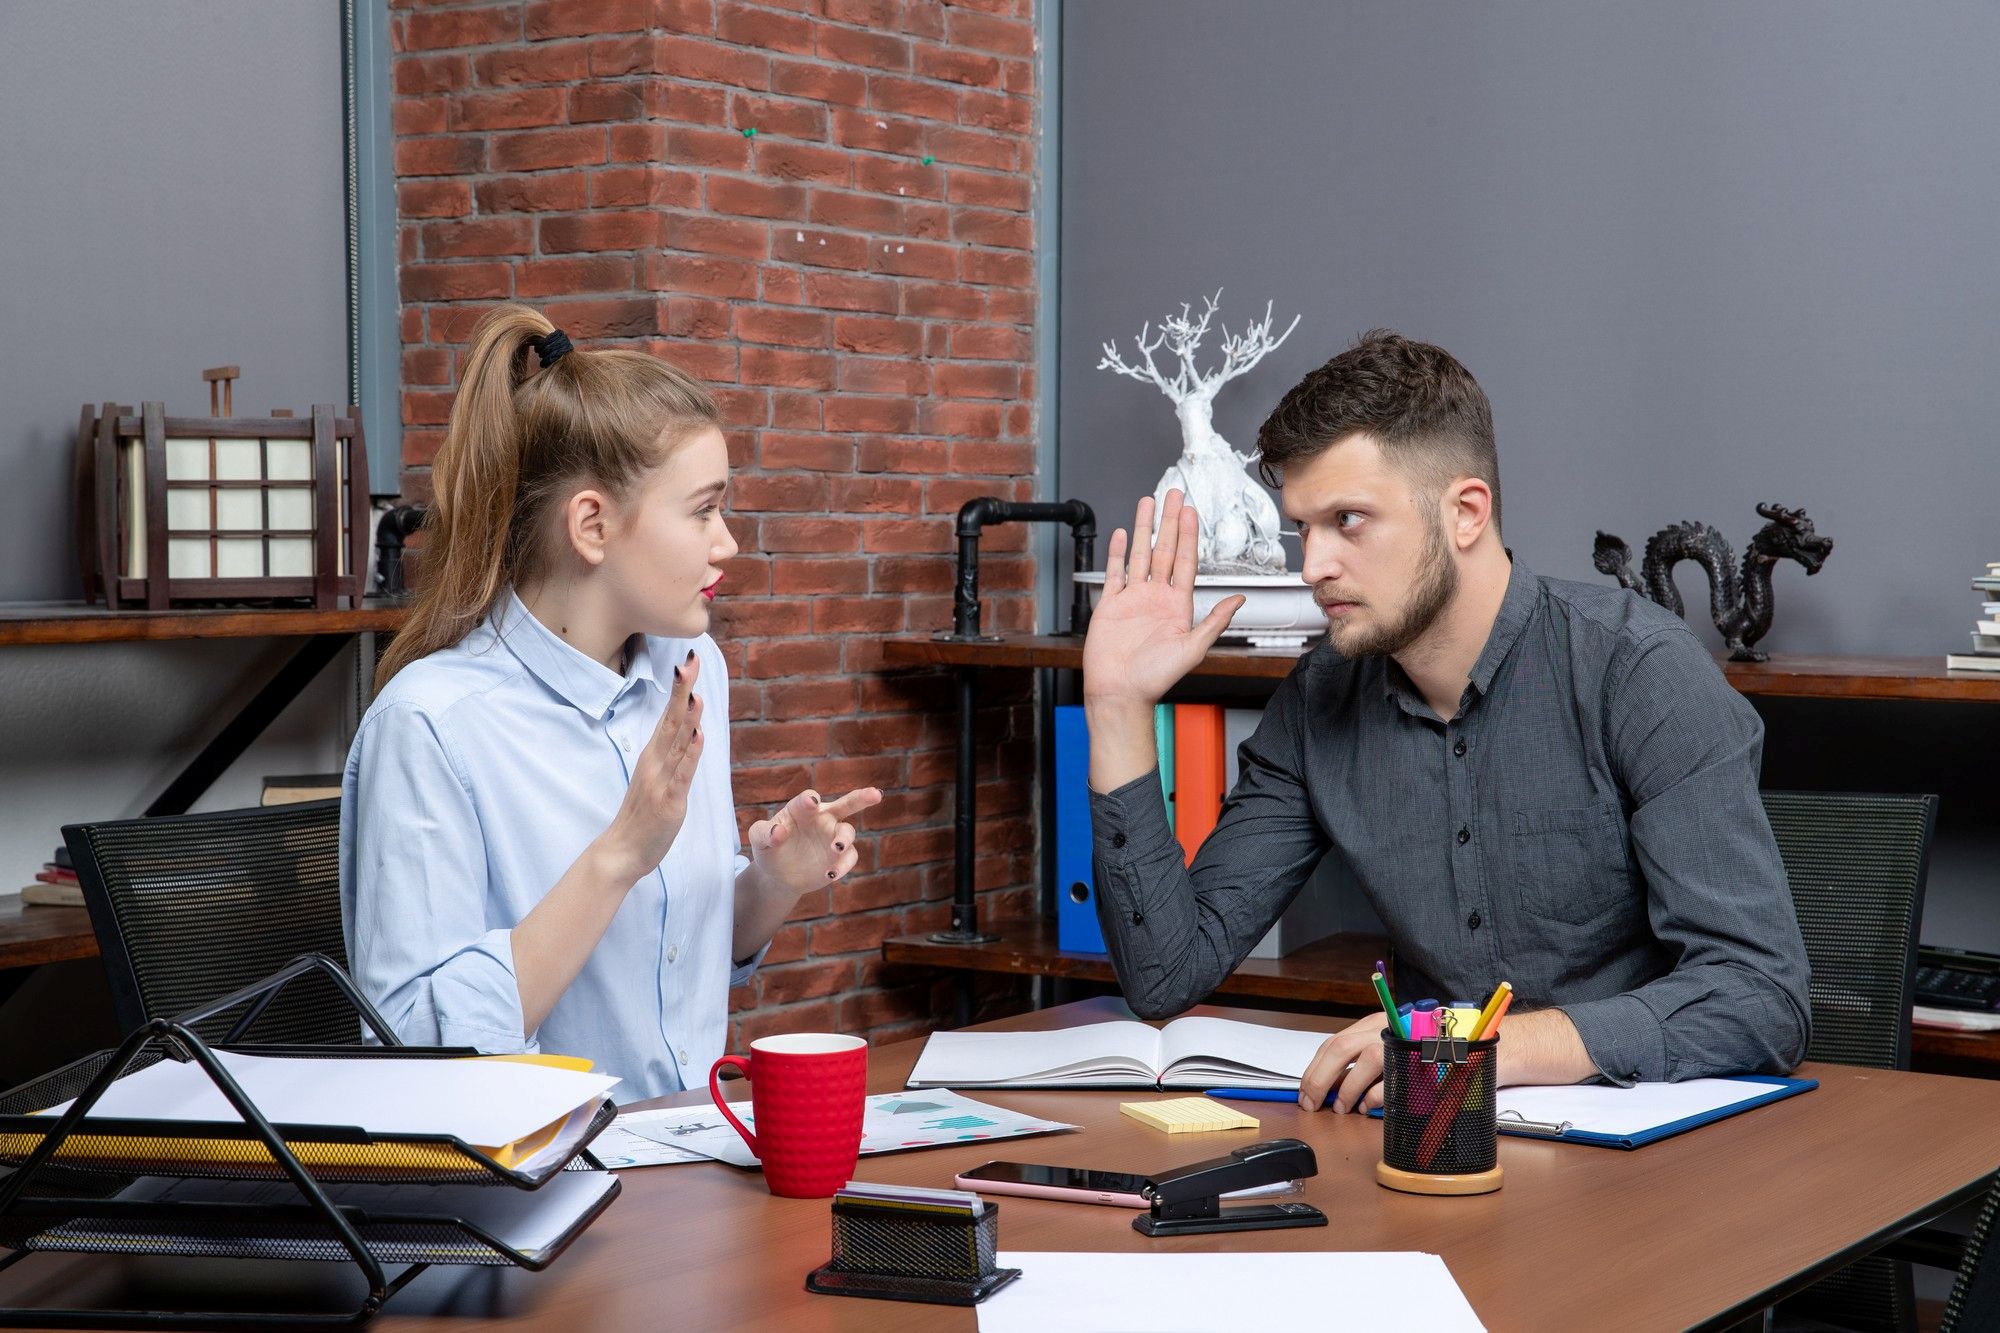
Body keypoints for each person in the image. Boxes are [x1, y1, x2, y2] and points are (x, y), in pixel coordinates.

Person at [1079, 330, 1810, 1113]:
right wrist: (1119, 710)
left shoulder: (1637, 669)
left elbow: (1761, 995)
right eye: (1303, 527)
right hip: (1431, 1146)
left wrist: (1483, 1045)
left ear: (1465, 512)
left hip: (1654, 1162)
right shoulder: (1321, 696)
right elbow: (1164, 976)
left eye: (1348, 520)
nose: (1312, 564)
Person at [341, 304, 880, 1099]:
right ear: (592, 524)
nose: (728, 542)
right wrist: (619, 854)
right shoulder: (430, 726)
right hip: (531, 1193)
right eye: (703, 509)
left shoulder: (694, 673)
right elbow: (418, 1048)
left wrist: (772, 881)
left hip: (691, 1155)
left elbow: (673, 949)